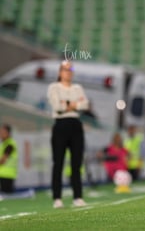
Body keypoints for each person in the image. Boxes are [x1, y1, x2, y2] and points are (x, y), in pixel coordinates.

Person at [47, 60, 89, 208]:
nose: (68, 72)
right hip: (61, 125)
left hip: (75, 125)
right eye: (65, 70)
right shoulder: (54, 87)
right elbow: (57, 106)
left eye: (70, 70)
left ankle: (77, 196)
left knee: (76, 163)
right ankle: (57, 198)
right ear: (60, 72)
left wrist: (68, 104)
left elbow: (85, 105)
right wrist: (74, 104)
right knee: (58, 162)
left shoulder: (78, 87)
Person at [0, 124, 18, 194]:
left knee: (7, 196)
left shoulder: (10, 144)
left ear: (8, 133)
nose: (1, 133)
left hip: (7, 175)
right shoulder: (3, 144)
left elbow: (3, 160)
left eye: (2, 132)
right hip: (2, 174)